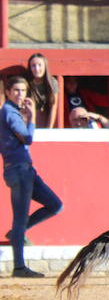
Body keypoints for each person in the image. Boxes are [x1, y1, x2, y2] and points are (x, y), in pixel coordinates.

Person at [0, 75, 61, 277]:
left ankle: (17, 234)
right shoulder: (9, 112)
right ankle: (19, 266)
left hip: (23, 169)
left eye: (23, 91)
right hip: (20, 169)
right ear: (8, 92)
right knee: (20, 219)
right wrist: (32, 117)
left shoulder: (11, 112)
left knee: (55, 204)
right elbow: (27, 138)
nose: (20, 94)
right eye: (16, 90)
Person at [23, 53, 58, 129]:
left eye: (40, 65)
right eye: (33, 65)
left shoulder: (52, 82)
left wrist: (49, 128)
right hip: (28, 120)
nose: (37, 69)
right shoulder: (26, 82)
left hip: (45, 119)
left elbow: (53, 107)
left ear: (45, 66)